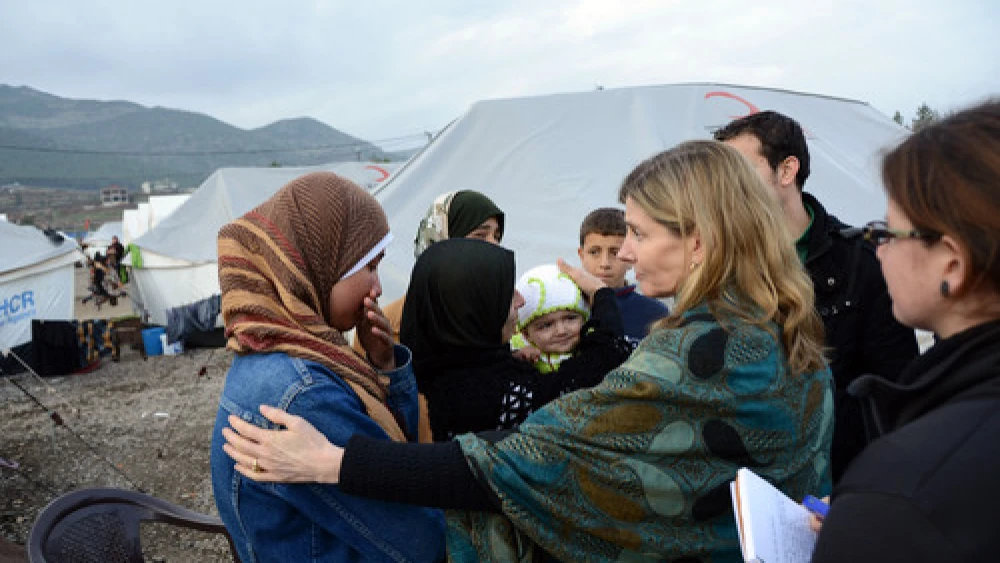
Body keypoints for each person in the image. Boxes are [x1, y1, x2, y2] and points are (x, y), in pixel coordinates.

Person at [222, 141, 834, 562]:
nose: (624, 254)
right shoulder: (773, 320)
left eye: (640, 235)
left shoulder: (704, 353)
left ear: (699, 243)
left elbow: (530, 458)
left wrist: (335, 463)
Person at [208, 171, 445, 562]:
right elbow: (421, 541)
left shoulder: (276, 357)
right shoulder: (303, 394)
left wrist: (383, 364)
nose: (378, 288)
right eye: (369, 266)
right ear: (319, 264)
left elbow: (393, 459)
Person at [810, 100, 1000, 562]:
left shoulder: (901, 494)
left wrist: (873, 523)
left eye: (888, 234)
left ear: (952, 264)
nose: (878, 252)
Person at [714, 111, 919, 482]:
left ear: (786, 171)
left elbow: (895, 393)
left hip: (844, 488)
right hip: (751, 487)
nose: (725, 187)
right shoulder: (719, 271)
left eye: (738, 170)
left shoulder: (862, 263)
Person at [399, 238, 629, 442]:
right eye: (507, 295)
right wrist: (602, 295)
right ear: (474, 310)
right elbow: (594, 373)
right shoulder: (482, 394)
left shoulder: (450, 369)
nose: (520, 302)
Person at [352, 189, 504, 353]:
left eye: (497, 236)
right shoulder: (385, 326)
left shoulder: (499, 316)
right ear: (443, 242)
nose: (494, 247)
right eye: (480, 236)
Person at [511, 263, 630, 375]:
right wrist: (515, 358)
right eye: (546, 325)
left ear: (586, 319)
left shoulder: (597, 349)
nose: (561, 331)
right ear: (526, 334)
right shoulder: (517, 357)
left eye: (570, 318)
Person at [577, 207, 669, 342]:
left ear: (631, 257)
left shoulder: (654, 313)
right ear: (581, 255)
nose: (605, 263)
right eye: (594, 252)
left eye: (615, 252)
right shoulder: (563, 309)